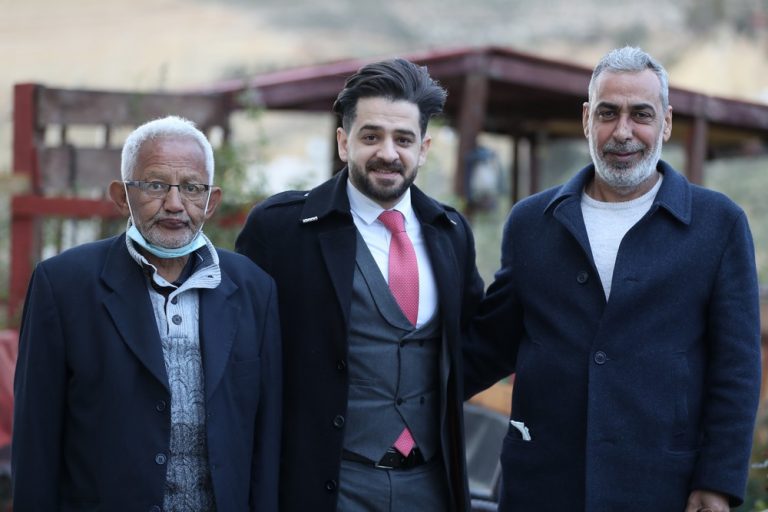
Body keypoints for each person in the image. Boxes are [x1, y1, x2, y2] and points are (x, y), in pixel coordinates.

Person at [464, 46, 762, 511]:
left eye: (640, 114)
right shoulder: (531, 223)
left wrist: (718, 482)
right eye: (608, 113)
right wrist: (397, 391)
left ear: (665, 123)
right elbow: (488, 346)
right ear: (587, 119)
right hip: (542, 487)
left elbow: (737, 368)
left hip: (663, 489)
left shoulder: (718, 224)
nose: (623, 131)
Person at [236, 58, 484, 511]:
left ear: (424, 149)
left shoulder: (451, 234)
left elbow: (472, 348)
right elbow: (241, 360)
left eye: (403, 139)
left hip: (431, 487)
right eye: (371, 136)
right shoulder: (281, 230)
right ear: (343, 142)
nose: (388, 153)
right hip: (329, 488)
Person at [12, 116, 282, 511]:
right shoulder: (64, 285)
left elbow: (266, 439)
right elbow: (35, 437)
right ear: (122, 196)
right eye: (155, 185)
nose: (174, 204)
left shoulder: (254, 289)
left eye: (192, 188)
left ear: (211, 201)